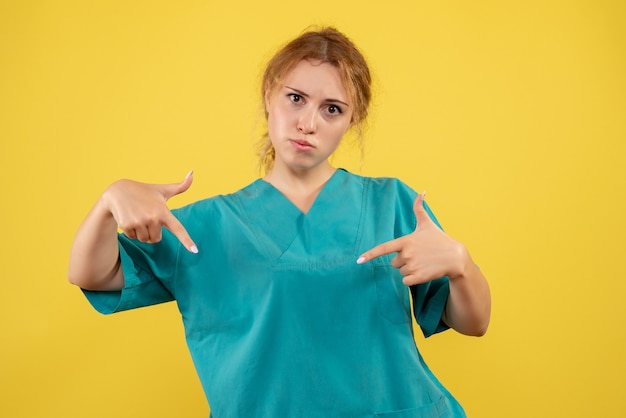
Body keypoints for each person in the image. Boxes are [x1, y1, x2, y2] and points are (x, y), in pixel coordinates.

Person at [68, 27, 491, 418]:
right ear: (269, 95)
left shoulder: (391, 204)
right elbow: (92, 273)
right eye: (295, 98)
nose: (308, 123)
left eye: (332, 109)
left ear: (352, 120)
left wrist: (462, 264)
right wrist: (109, 202)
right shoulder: (206, 226)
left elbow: (473, 323)